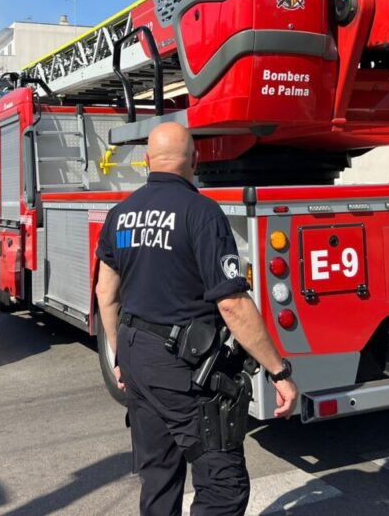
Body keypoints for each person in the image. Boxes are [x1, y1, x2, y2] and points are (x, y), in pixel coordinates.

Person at [95, 122, 298, 516]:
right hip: (181, 369)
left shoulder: (120, 215)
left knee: (158, 477)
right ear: (196, 159)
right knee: (224, 487)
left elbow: (106, 293)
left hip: (137, 355)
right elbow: (232, 304)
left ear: (147, 161)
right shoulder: (202, 213)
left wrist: (119, 358)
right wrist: (279, 372)